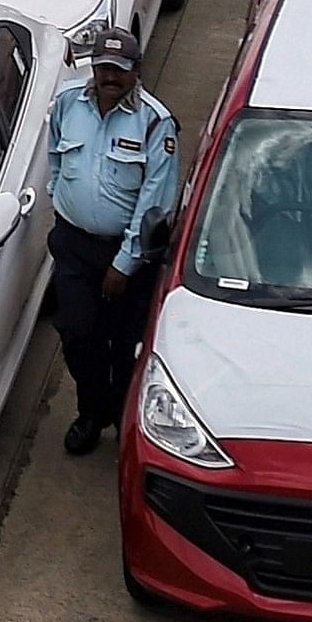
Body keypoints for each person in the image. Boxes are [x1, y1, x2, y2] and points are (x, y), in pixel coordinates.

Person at [42, 23, 181, 454]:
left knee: (126, 348)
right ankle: (92, 412)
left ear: (136, 71)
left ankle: (123, 419)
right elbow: (53, 156)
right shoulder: (68, 103)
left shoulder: (156, 123)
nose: (110, 77)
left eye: (120, 69)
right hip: (73, 245)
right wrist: (60, 198)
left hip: (127, 257)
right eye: (104, 67)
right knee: (77, 333)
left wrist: (124, 262)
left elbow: (155, 202)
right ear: (93, 67)